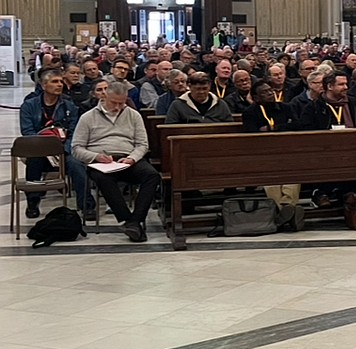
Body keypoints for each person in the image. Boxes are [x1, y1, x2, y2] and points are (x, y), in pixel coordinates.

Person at [71, 82, 160, 242]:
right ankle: (128, 220)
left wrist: (132, 158)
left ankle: (135, 220)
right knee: (104, 178)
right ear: (105, 97)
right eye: (114, 102)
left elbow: (142, 144)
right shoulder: (88, 117)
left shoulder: (133, 115)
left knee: (151, 175)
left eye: (122, 103)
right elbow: (76, 148)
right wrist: (96, 156)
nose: (118, 107)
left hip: (127, 158)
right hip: (100, 160)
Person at [19, 69, 95, 219]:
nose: (59, 84)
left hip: (64, 150)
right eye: (55, 81)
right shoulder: (29, 105)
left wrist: (63, 150)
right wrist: (47, 150)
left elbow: (74, 132)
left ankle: (86, 205)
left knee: (76, 164)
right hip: (39, 150)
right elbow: (27, 132)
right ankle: (33, 202)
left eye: (60, 81)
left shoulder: (69, 106)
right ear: (43, 85)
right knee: (34, 162)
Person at [165, 72, 234, 124]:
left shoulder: (220, 104)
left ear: (209, 86)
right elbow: (170, 128)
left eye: (204, 88)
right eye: (198, 89)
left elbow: (229, 126)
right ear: (190, 87)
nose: (201, 92)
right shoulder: (178, 105)